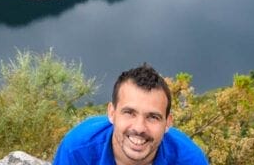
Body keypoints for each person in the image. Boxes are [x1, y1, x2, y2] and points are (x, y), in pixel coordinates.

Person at [52, 64, 208, 165]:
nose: (139, 128)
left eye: (153, 117)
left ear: (168, 123)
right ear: (112, 113)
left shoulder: (190, 160)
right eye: (129, 113)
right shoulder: (78, 150)